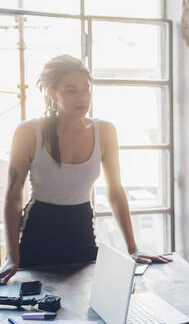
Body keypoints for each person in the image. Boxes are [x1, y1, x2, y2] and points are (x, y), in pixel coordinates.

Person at [0, 54, 171, 284]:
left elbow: (116, 192)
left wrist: (133, 248)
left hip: (81, 232)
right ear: (52, 92)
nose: (82, 97)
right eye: (71, 90)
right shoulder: (29, 132)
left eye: (86, 89)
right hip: (38, 234)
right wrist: (12, 257)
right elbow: (13, 197)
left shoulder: (105, 131)